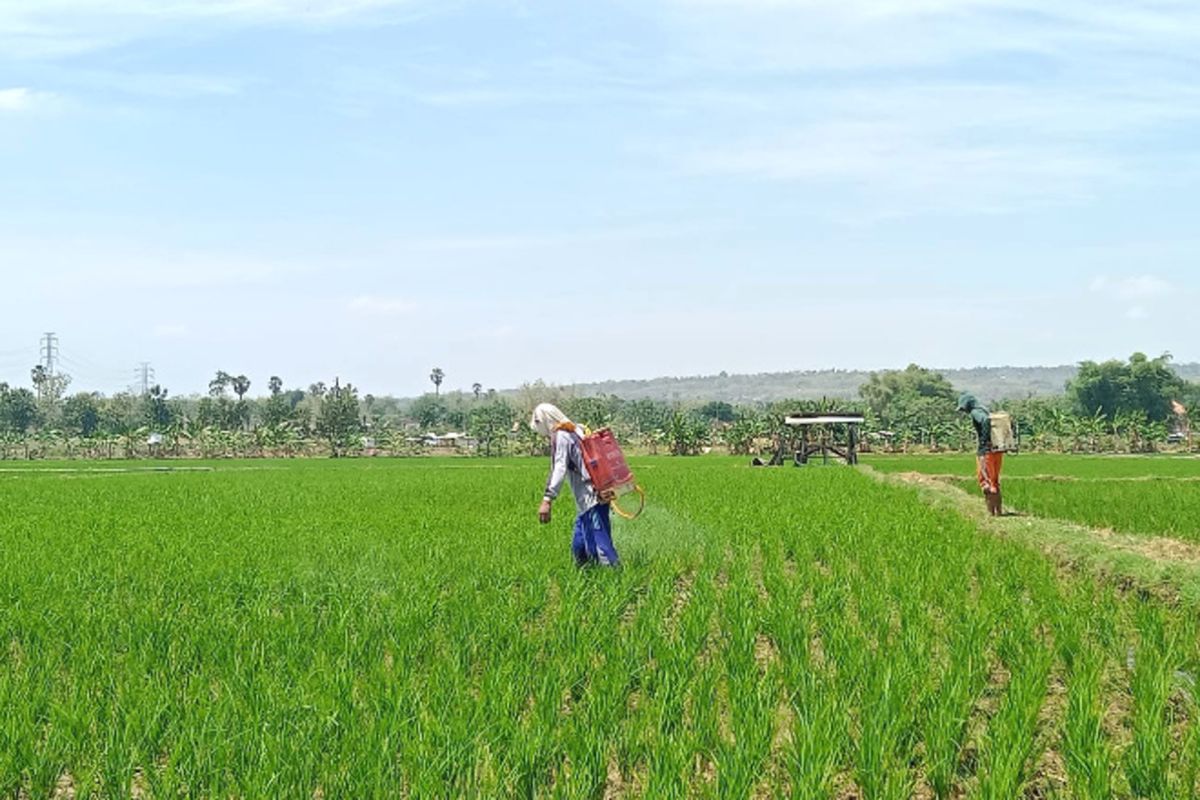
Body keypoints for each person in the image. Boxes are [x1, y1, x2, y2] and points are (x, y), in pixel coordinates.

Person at [530, 403, 619, 567]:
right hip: (588, 499)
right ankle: (585, 575)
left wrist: (547, 499)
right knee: (579, 547)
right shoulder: (575, 430)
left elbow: (559, 468)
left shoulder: (561, 435)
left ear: (542, 421)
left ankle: (615, 575)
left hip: (591, 497)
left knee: (600, 546)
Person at [957, 392, 1003, 516]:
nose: (964, 411)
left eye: (963, 408)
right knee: (994, 481)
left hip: (986, 452)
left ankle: (990, 513)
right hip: (997, 450)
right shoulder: (984, 409)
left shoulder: (975, 412)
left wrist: (984, 441)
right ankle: (998, 512)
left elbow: (985, 421)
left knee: (985, 482)